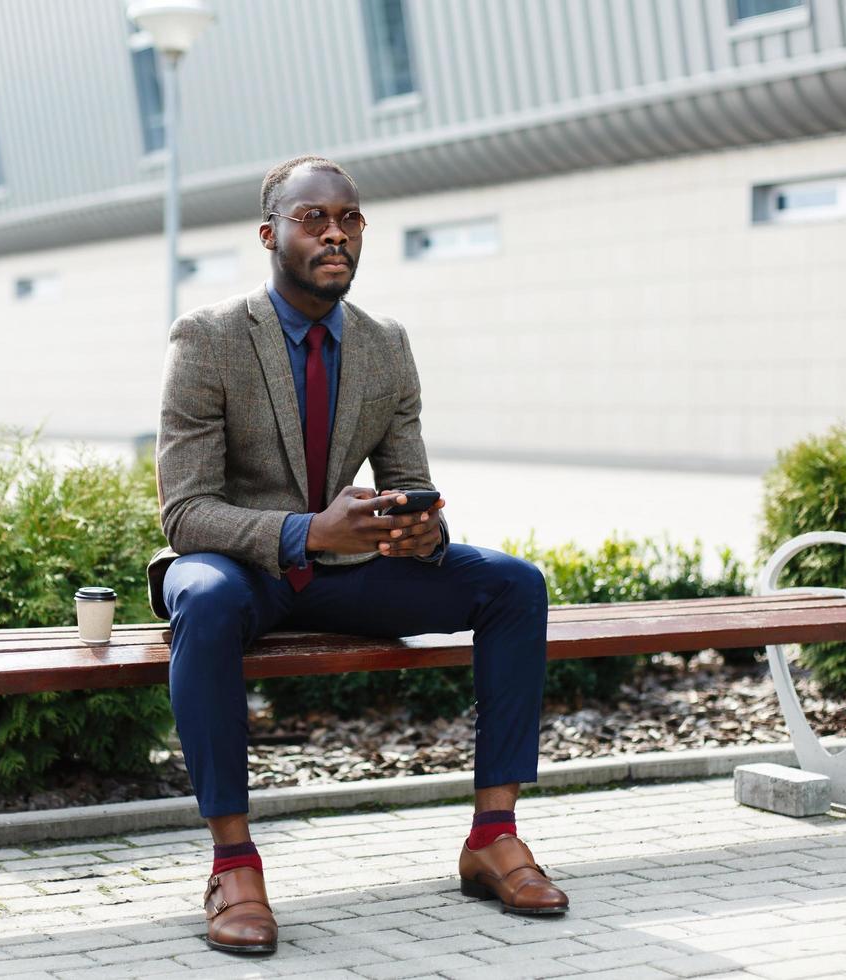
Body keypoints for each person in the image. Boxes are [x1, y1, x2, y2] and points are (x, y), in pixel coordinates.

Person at [146, 155, 567, 956]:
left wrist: (423, 531)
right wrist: (306, 533)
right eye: (313, 218)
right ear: (271, 234)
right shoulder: (207, 339)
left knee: (513, 586)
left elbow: (410, 483)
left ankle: (493, 835)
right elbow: (185, 512)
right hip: (241, 572)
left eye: (349, 218)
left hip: (345, 574)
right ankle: (233, 864)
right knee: (200, 598)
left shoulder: (384, 345)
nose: (335, 232)